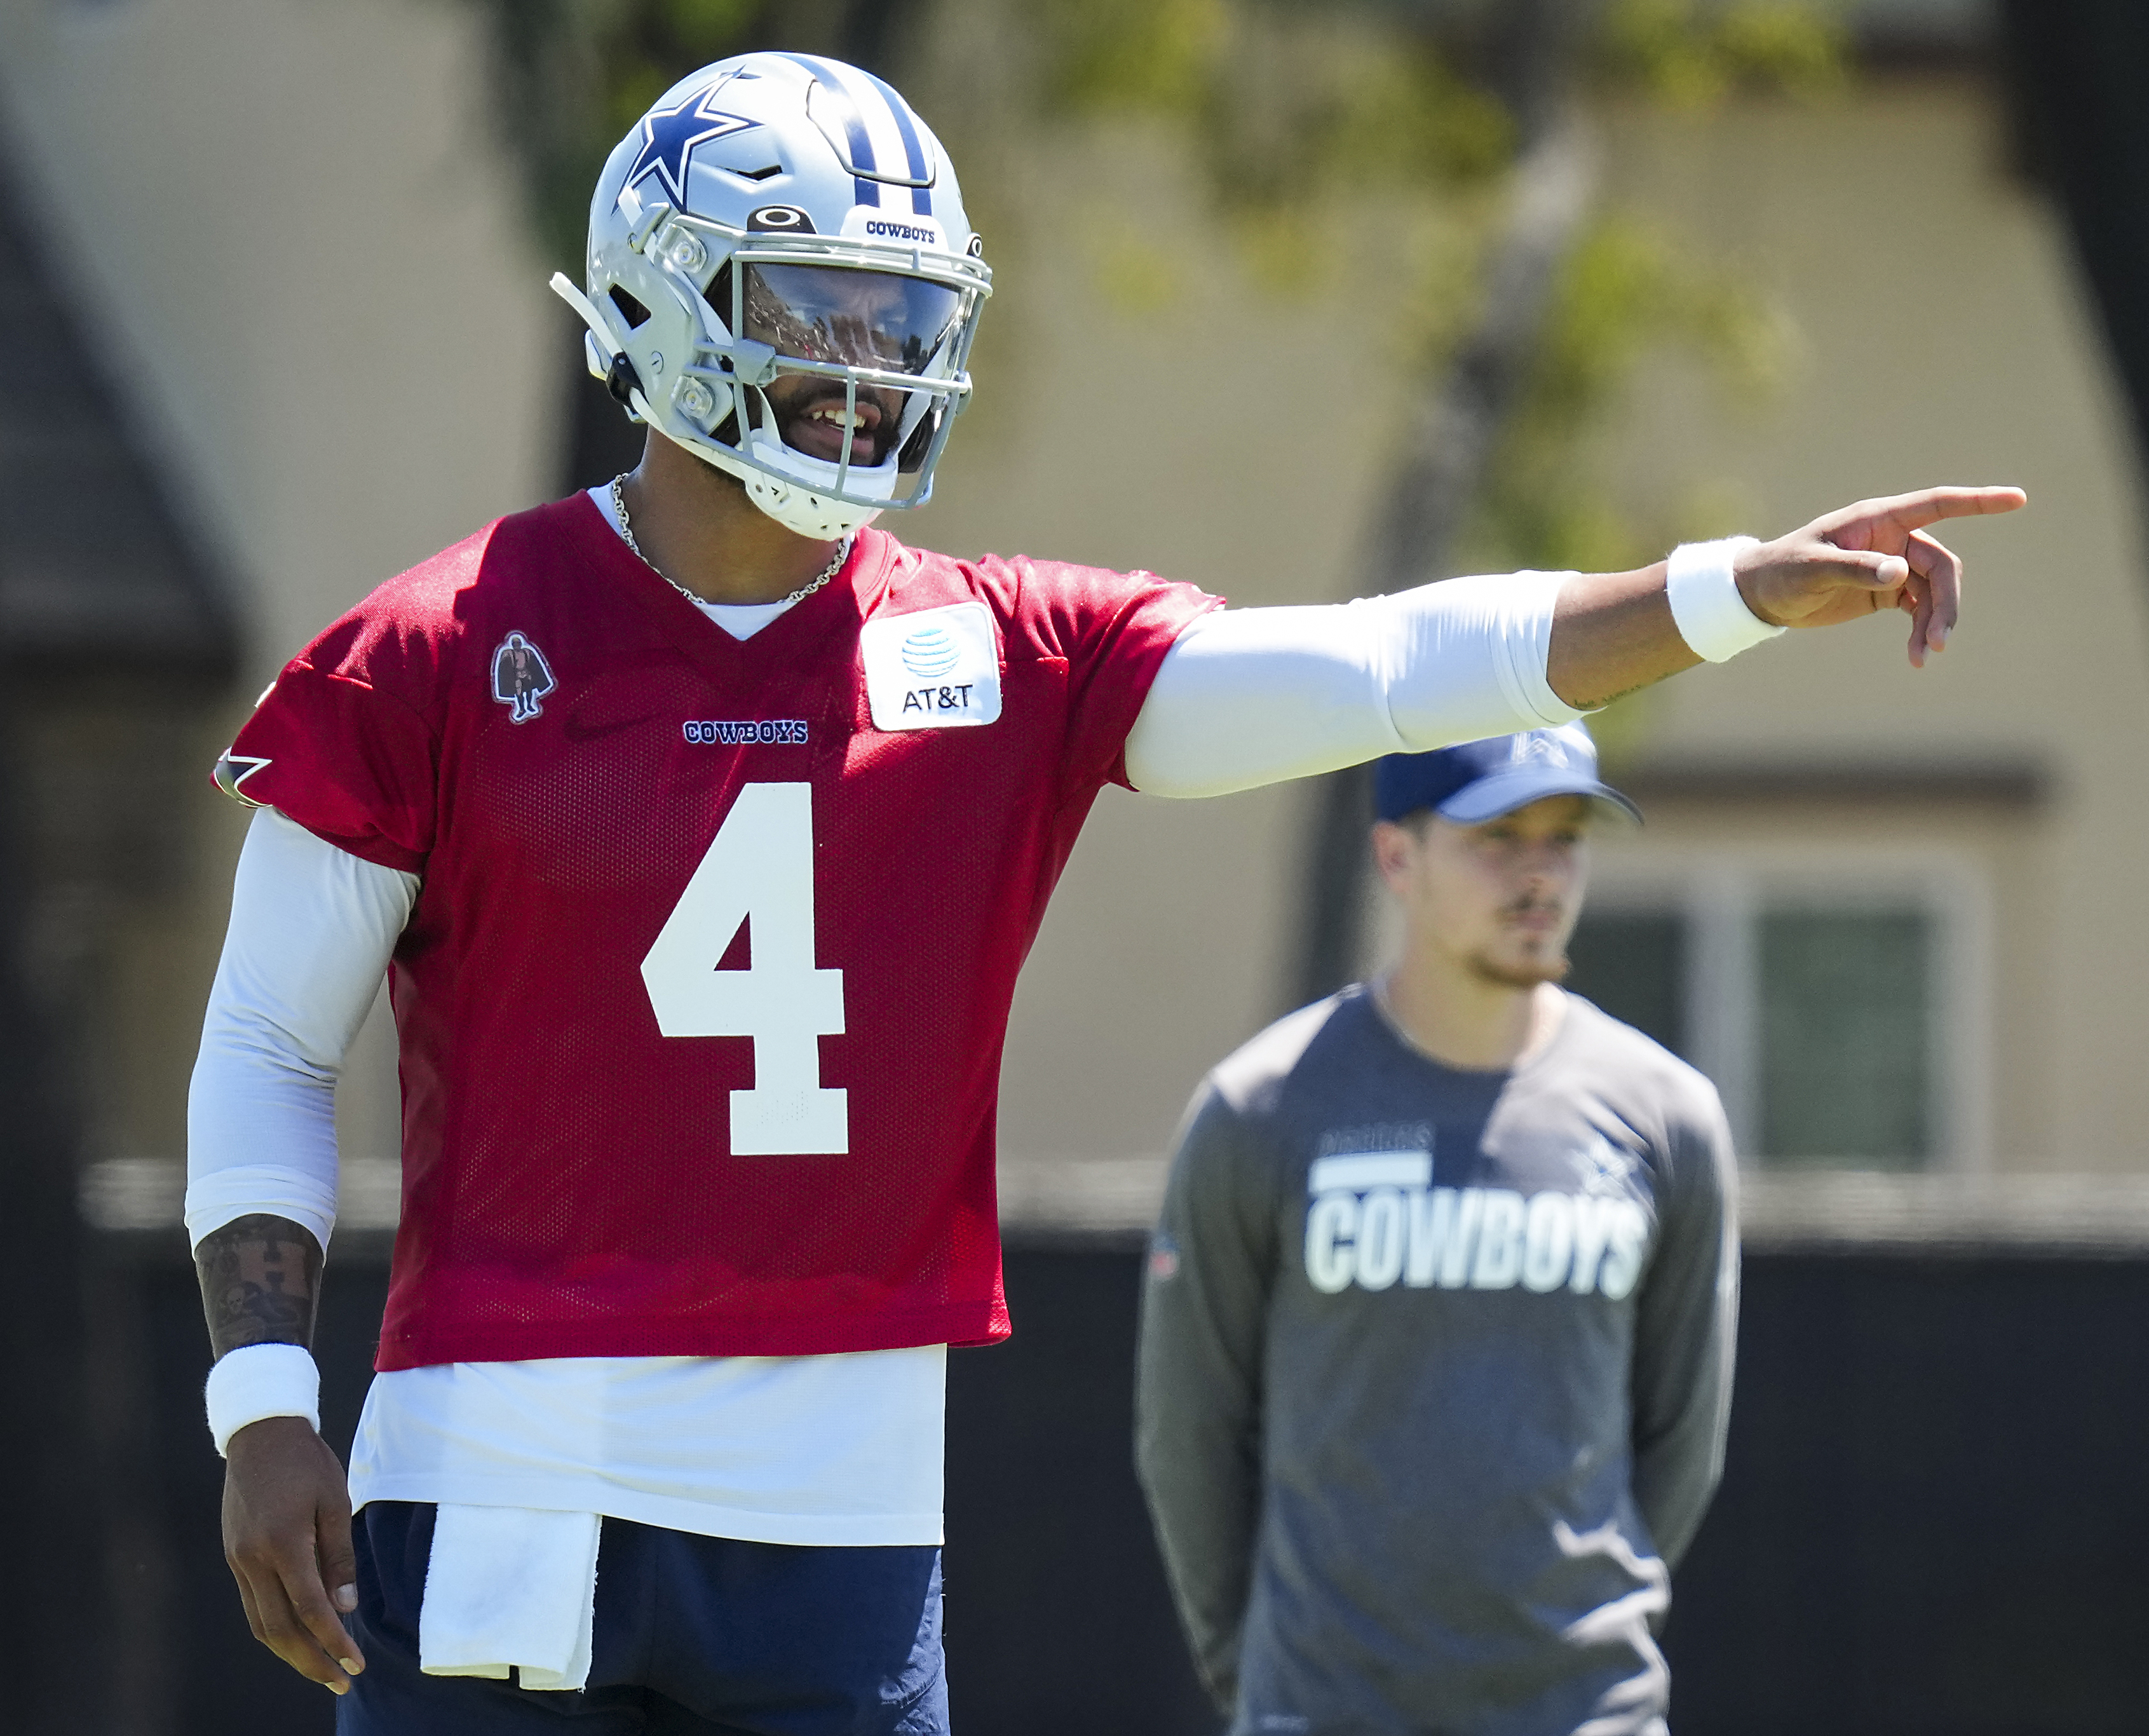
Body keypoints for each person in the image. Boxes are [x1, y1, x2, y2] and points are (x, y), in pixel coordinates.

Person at [183, 47, 2020, 1735]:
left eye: (905, 319)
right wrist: (262, 1401)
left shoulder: (1004, 648)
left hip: (843, 1503)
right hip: (508, 1467)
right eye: (821, 308)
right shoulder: (435, 649)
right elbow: (270, 1031)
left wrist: (1721, 592)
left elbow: (1386, 666)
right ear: (669, 299)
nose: (874, 365)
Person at [1136, 724, 1734, 1736]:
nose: (1540, 874)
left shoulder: (1668, 1116)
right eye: (1498, 836)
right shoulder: (1262, 1108)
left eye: (1566, 836)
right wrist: (1262, 1681)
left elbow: (1679, 1442)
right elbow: (1190, 1437)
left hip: (1590, 1715)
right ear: (1395, 857)